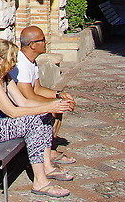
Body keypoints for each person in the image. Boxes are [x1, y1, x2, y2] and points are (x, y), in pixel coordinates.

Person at [0, 38, 75, 198]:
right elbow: (12, 112)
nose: (14, 63)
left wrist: (54, 103)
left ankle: (47, 167)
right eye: (12, 59)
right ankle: (40, 182)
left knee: (42, 115)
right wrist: (49, 107)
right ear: (0, 59)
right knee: (34, 121)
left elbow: (23, 102)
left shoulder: (4, 77)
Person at [8, 25, 77, 168]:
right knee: (53, 110)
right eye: (43, 40)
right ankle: (47, 152)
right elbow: (28, 96)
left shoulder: (31, 62)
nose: (46, 43)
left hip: (26, 102)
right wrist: (55, 104)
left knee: (58, 107)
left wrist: (58, 95)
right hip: (18, 107)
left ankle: (49, 148)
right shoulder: (21, 65)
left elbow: (38, 88)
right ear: (32, 45)